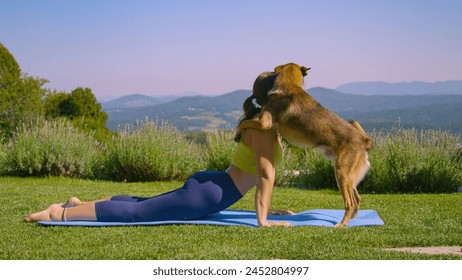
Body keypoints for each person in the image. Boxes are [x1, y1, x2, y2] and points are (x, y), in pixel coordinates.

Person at [25, 94, 293, 227]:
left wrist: (268, 209)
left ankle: (78, 205)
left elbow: (256, 175)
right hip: (210, 195)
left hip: (213, 187)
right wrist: (264, 220)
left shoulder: (265, 127)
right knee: (139, 214)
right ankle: (59, 213)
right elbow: (265, 175)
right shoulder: (263, 129)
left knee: (146, 204)